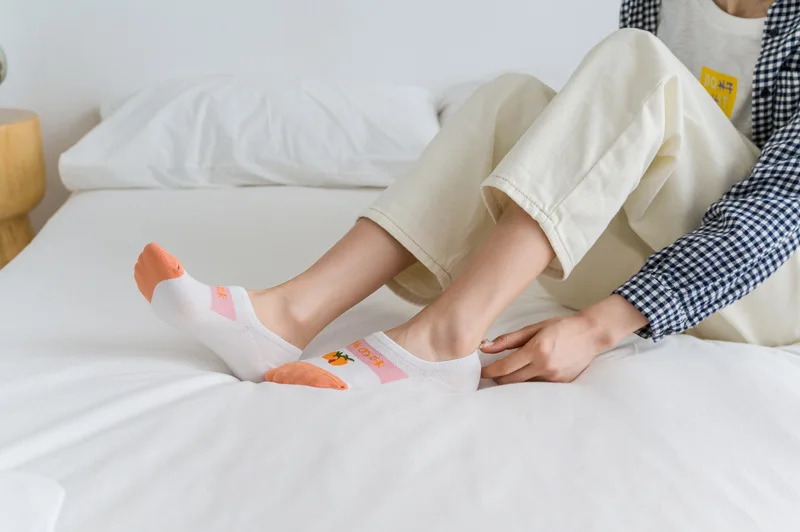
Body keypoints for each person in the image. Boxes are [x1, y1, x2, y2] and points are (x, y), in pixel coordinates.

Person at [134, 0, 800, 391]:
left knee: (636, 60)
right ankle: (289, 314)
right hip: (668, 245)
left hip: (769, 286)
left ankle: (447, 333)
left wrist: (597, 328)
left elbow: (778, 209)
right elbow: (618, 147)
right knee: (511, 99)